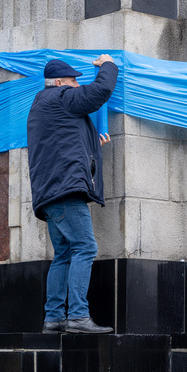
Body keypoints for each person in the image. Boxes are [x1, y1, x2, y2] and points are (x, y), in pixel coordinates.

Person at [27, 55, 118, 333]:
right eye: (73, 80)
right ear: (58, 83)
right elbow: (99, 92)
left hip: (50, 192)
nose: (77, 85)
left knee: (63, 254)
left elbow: (63, 141)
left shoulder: (41, 105)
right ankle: (78, 315)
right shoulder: (60, 96)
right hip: (65, 190)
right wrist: (108, 65)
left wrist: (93, 141)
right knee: (85, 247)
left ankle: (53, 318)